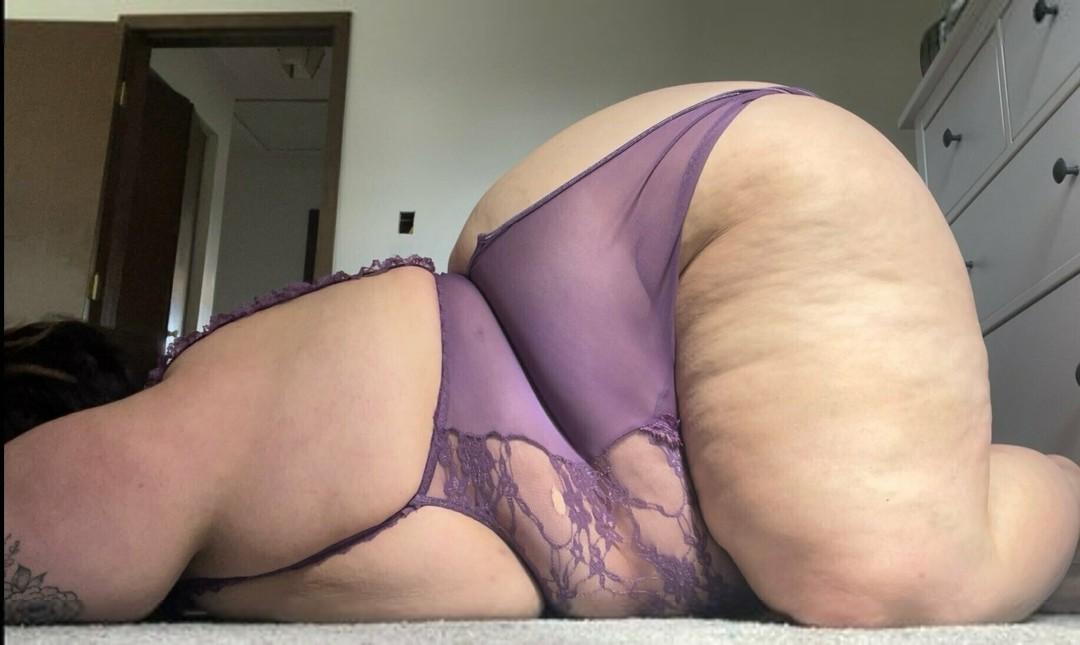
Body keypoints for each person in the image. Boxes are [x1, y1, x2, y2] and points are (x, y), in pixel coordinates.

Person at [4, 82, 1077, 627]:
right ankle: (972, 487)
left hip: (702, 213)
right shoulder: (239, 536)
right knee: (789, 551)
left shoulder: (196, 430)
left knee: (877, 580)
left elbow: (55, 511)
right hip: (589, 329)